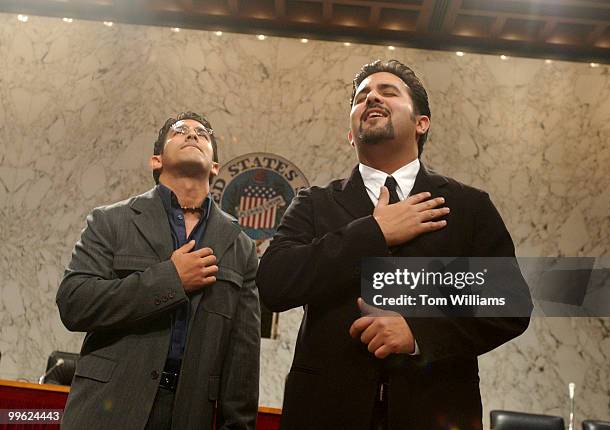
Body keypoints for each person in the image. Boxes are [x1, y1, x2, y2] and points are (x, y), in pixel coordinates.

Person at [256, 60, 532, 430]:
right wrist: (373, 232)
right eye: (361, 97)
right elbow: (274, 284)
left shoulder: (470, 206)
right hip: (325, 412)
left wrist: (417, 332)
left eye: (388, 92)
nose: (371, 97)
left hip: (435, 411)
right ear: (351, 134)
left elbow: (509, 305)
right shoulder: (313, 203)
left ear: (422, 123)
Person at [57, 112, 260, 430]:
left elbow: (243, 355)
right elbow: (73, 303)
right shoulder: (110, 221)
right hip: (106, 410)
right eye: (180, 132)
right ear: (156, 160)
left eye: (203, 134)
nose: (193, 135)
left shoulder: (241, 245)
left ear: (216, 167)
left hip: (188, 416)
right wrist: (171, 280)